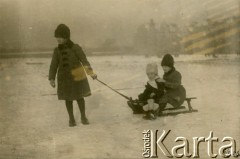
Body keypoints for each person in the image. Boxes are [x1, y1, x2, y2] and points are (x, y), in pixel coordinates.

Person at [49, 24, 97, 127]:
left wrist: (90, 72)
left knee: (79, 97)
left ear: (66, 37)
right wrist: (52, 78)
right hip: (64, 78)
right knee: (68, 99)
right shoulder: (57, 51)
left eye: (60, 37)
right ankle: (71, 118)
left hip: (77, 76)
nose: (58, 39)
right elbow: (53, 65)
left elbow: (84, 61)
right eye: (57, 37)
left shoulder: (76, 47)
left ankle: (83, 117)